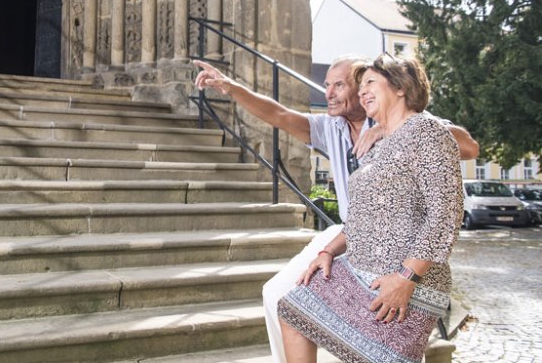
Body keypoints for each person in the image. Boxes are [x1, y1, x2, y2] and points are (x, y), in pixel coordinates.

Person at [193, 56, 478, 363]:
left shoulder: (416, 126)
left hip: (401, 259)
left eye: (340, 85)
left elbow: (460, 169)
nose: (329, 93)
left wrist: (388, 128)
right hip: (355, 236)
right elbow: (279, 115)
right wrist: (232, 87)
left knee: (381, 347)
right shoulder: (332, 129)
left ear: (392, 87)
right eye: (327, 85)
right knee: (289, 304)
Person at [277, 54, 464, 362]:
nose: (362, 92)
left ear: (400, 87)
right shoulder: (378, 144)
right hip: (360, 269)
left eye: (370, 83)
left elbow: (446, 215)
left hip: (406, 280)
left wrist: (406, 278)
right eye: (360, 86)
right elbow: (364, 218)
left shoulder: (428, 132)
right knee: (294, 311)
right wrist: (328, 251)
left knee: (377, 356)